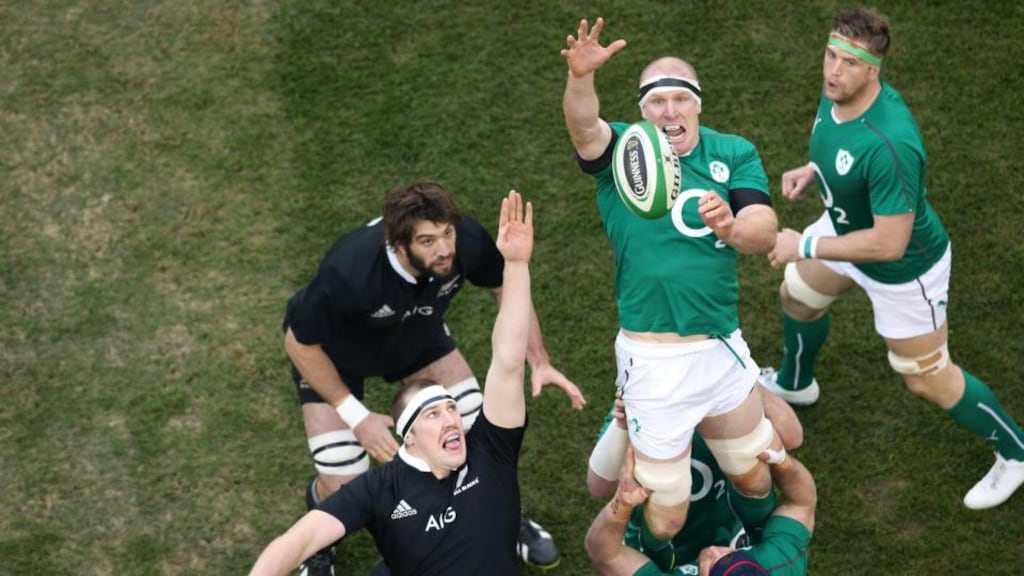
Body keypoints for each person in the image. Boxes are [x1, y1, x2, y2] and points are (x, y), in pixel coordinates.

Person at [760, 7, 1024, 510]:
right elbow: (838, 149)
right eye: (830, 55)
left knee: (925, 377)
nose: (833, 71)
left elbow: (889, 243)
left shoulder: (893, 143)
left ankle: (1016, 454)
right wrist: (813, 170)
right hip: (845, 230)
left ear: (874, 70)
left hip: (904, 270)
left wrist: (806, 245)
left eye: (848, 63)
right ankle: (796, 384)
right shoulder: (837, 94)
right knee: (798, 296)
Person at [281, 180, 584, 575]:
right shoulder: (349, 271)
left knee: (480, 431)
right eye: (427, 241)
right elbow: (299, 343)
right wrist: (358, 417)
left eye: (447, 234)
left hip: (417, 340)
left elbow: (505, 288)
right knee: (342, 477)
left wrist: (538, 359)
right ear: (397, 244)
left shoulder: (466, 241)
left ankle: (501, 519)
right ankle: (318, 547)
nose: (444, 250)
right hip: (339, 360)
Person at [560, 16, 781, 552]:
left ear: (698, 105)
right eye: (657, 102)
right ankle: (658, 563)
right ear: (642, 112)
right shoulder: (621, 153)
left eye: (680, 98)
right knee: (666, 516)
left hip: (720, 345)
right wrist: (581, 77)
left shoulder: (733, 154)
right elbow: (584, 127)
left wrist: (730, 225)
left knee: (752, 473)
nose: (670, 110)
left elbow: (766, 229)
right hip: (653, 359)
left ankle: (765, 555)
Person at [586, 386, 804, 572]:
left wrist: (743, 379)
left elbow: (793, 436)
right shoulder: (644, 410)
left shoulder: (728, 398)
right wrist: (622, 427)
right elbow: (598, 486)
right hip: (688, 549)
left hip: (716, 544)